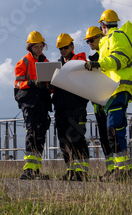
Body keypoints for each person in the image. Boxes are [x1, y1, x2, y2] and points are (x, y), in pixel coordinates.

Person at [84, 9, 132, 180]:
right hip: (113, 91)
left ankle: (122, 171)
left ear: (102, 25)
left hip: (118, 89)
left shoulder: (116, 37)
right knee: (115, 131)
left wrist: (98, 65)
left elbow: (119, 60)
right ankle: (123, 169)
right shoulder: (110, 40)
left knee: (114, 131)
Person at [14, 31, 52, 180]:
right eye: (36, 47)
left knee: (41, 134)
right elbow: (17, 83)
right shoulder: (23, 62)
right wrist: (31, 82)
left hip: (42, 101)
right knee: (32, 133)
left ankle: (36, 169)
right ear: (30, 47)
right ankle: (29, 169)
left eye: (41, 46)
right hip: (30, 102)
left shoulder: (46, 62)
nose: (39, 49)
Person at [52, 33, 90, 181]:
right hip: (61, 107)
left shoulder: (80, 61)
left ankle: (82, 172)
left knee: (77, 137)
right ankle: (70, 169)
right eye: (60, 48)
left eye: (66, 47)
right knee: (64, 139)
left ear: (72, 46)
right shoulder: (56, 65)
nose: (63, 50)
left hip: (77, 106)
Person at [84, 26, 114, 178]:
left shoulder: (106, 56)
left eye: (91, 40)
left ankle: (118, 169)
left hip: (110, 103)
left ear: (100, 37)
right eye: (87, 41)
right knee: (103, 138)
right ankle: (111, 169)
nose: (89, 43)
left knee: (112, 136)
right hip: (98, 105)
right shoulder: (92, 60)